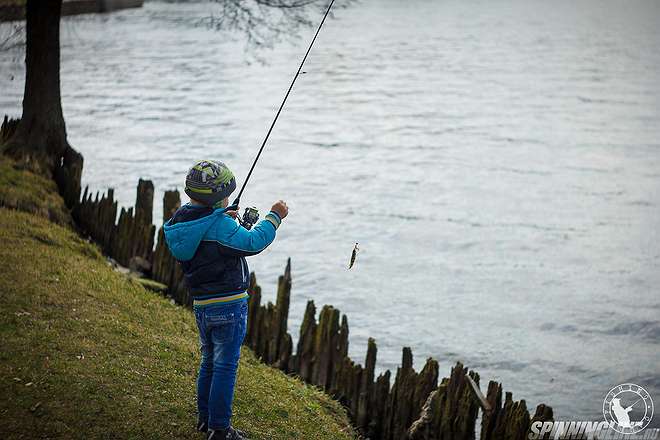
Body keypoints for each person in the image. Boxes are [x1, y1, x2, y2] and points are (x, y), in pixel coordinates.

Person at [163, 160, 288, 440]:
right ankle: (220, 430)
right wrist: (274, 217)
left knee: (208, 361)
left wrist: (222, 216)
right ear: (220, 198)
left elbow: (207, 230)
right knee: (225, 367)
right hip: (228, 308)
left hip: (202, 307)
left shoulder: (183, 221)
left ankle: (205, 420)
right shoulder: (220, 226)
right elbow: (253, 242)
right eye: (227, 196)